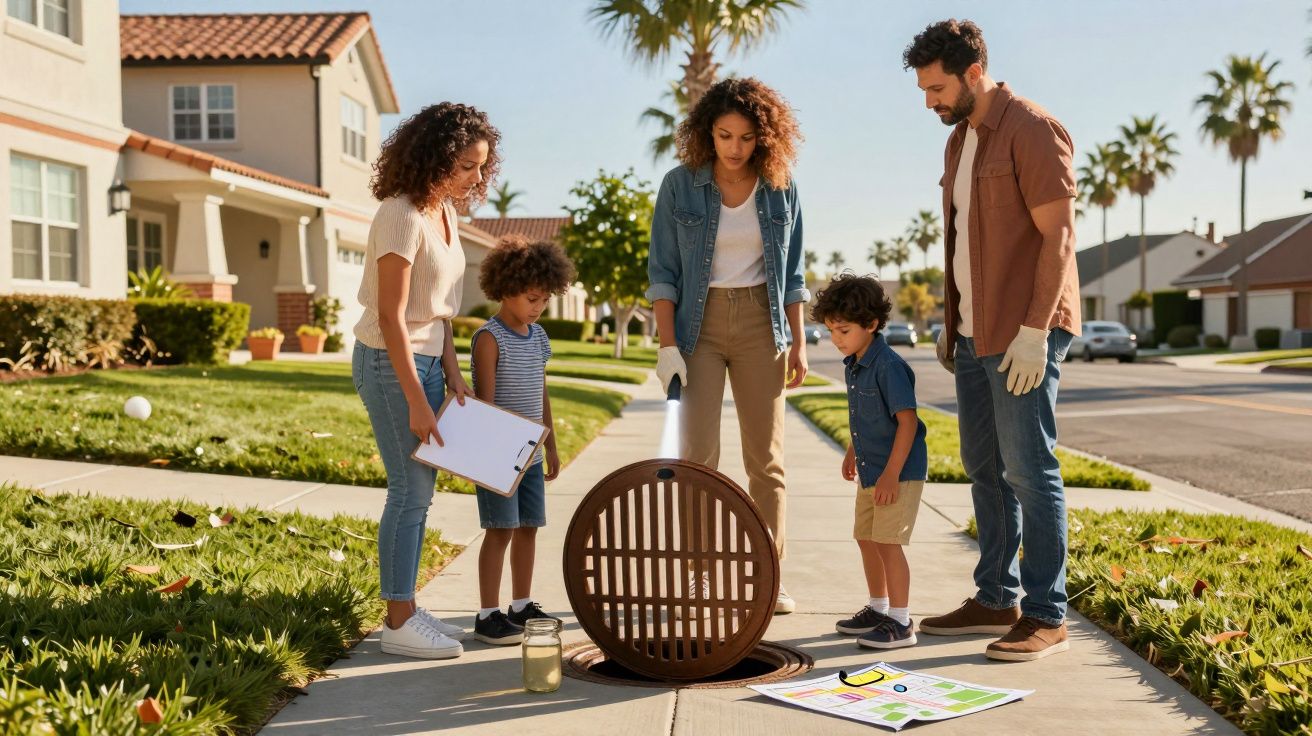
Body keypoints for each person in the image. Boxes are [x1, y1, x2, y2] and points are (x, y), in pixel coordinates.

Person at [904, 19, 1081, 661]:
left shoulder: (1032, 129)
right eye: (924, 90)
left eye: (936, 87)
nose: (930, 101)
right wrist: (952, 328)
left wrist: (1035, 332)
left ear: (972, 73)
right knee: (984, 470)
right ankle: (994, 597)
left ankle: (1045, 613)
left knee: (1030, 470)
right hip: (974, 336)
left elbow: (1058, 236)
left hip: (1021, 335)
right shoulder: (959, 143)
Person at [647, 77, 809, 614]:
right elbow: (664, 272)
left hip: (764, 323)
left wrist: (799, 340)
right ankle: (695, 575)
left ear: (763, 137)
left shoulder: (781, 185)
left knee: (767, 462)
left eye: (745, 138)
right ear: (707, 133)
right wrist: (667, 344)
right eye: (724, 136)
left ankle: (769, 575)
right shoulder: (679, 185)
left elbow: (792, 274)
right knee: (698, 458)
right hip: (699, 326)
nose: (735, 148)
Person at [352, 102, 500, 659]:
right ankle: (396, 623)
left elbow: (438, 309)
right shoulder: (400, 214)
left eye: (482, 166)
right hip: (392, 365)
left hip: (431, 362)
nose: (477, 177)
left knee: (421, 492)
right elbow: (392, 316)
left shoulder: (444, 213)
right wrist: (416, 398)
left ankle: (406, 606)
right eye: (466, 165)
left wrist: (454, 373)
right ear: (434, 158)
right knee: (409, 491)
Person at [469, 235, 575, 645]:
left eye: (545, 300)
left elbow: (540, 388)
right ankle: (487, 614)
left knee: (528, 527)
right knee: (500, 529)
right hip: (499, 452)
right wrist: (491, 453)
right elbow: (486, 403)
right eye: (532, 298)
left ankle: (520, 603)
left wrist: (549, 443)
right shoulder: (489, 338)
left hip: (530, 451)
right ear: (506, 289)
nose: (538, 307)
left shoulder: (539, 337)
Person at [812, 273, 928, 650]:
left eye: (842, 331)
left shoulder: (889, 366)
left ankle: (901, 621)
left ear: (872, 325)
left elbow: (907, 424)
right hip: (871, 469)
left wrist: (892, 475)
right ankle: (879, 609)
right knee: (866, 537)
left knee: (888, 542)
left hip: (897, 472)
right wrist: (851, 450)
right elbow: (865, 415)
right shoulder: (855, 362)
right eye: (831, 331)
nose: (835, 340)